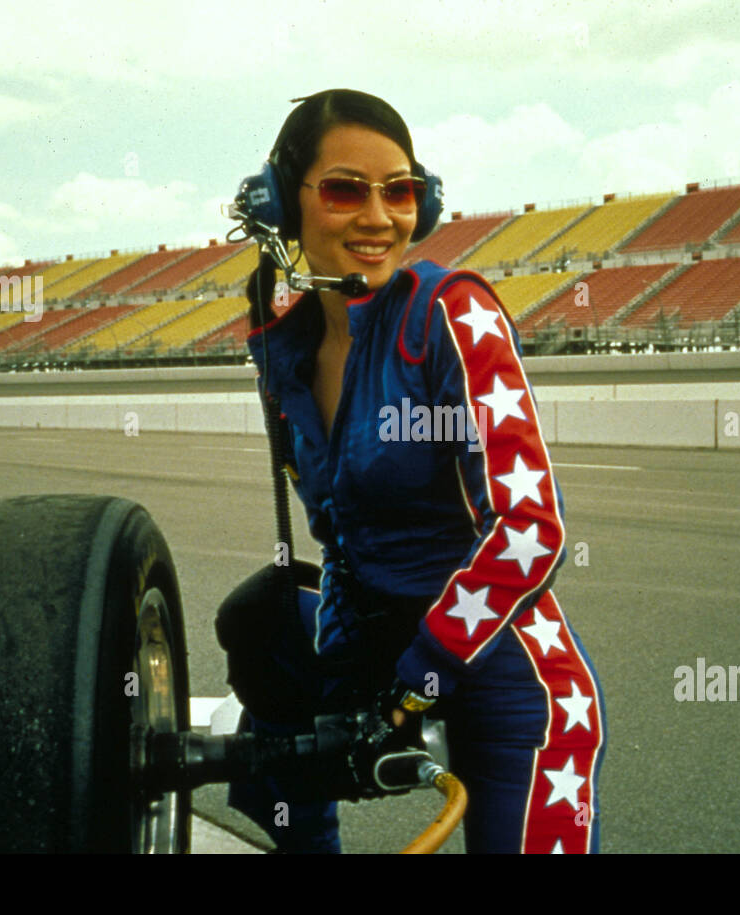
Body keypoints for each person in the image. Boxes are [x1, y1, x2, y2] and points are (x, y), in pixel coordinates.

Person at [217, 89, 605, 854]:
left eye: (400, 192)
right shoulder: (282, 348)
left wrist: (418, 678)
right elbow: (340, 537)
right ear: (281, 205)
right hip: (377, 639)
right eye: (343, 190)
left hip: (501, 658)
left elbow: (531, 530)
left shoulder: (451, 311)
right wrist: (345, 680)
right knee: (259, 616)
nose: (378, 216)